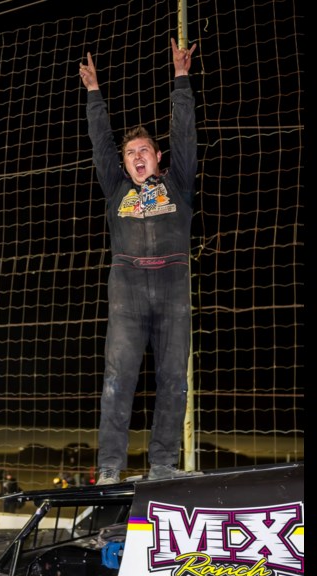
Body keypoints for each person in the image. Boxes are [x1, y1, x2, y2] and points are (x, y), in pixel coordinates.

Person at [79, 37, 203, 485]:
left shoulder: (178, 187)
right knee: (118, 381)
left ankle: (164, 466)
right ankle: (110, 469)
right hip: (127, 292)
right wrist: (94, 94)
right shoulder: (117, 190)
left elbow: (185, 134)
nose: (136, 157)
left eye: (144, 151)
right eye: (131, 153)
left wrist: (182, 81)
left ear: (158, 158)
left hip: (173, 292)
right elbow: (101, 145)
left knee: (174, 381)